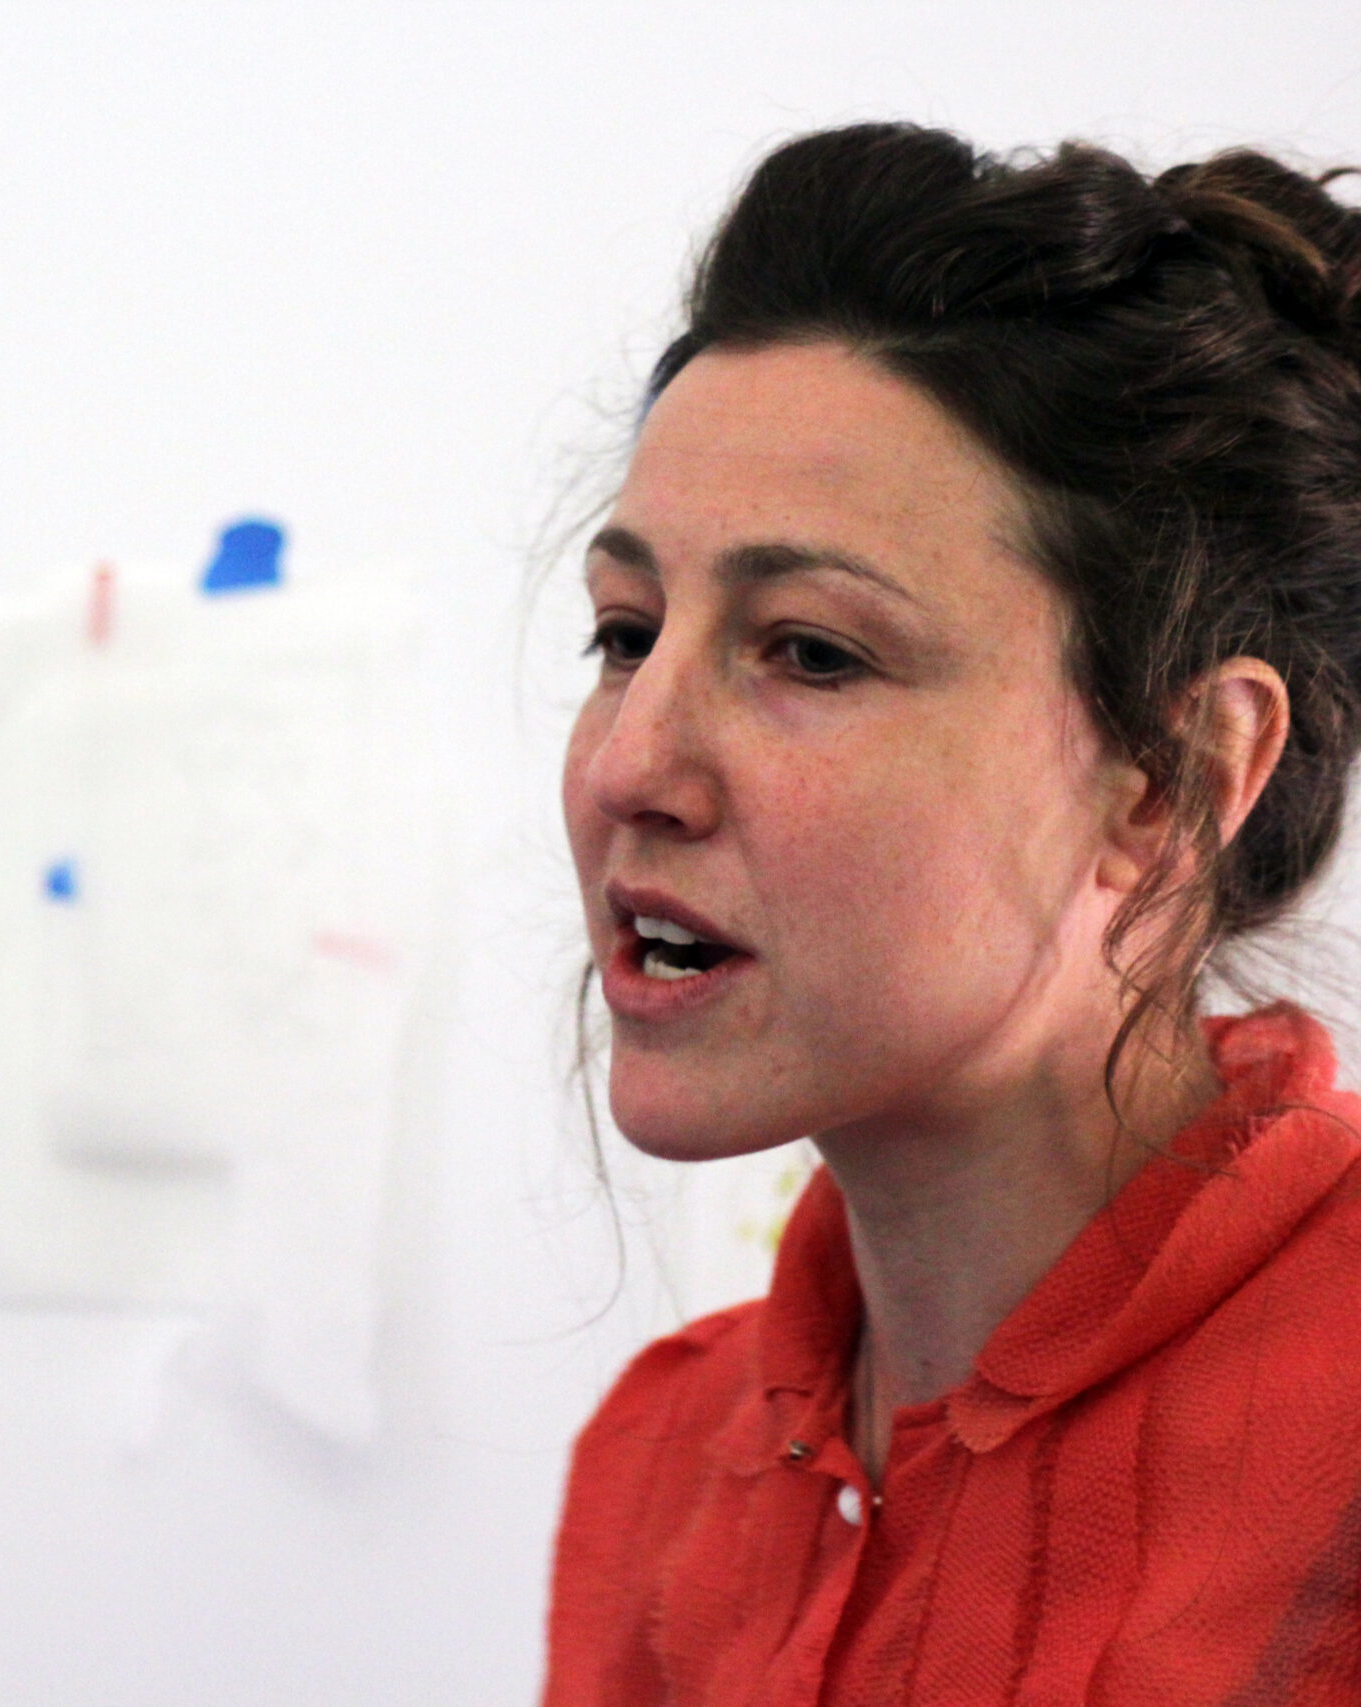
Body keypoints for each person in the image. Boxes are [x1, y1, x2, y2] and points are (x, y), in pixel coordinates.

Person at [544, 123, 1361, 1705]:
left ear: (1173, 779)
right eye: (626, 633)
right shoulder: (656, 1467)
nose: (633, 766)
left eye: (812, 653)